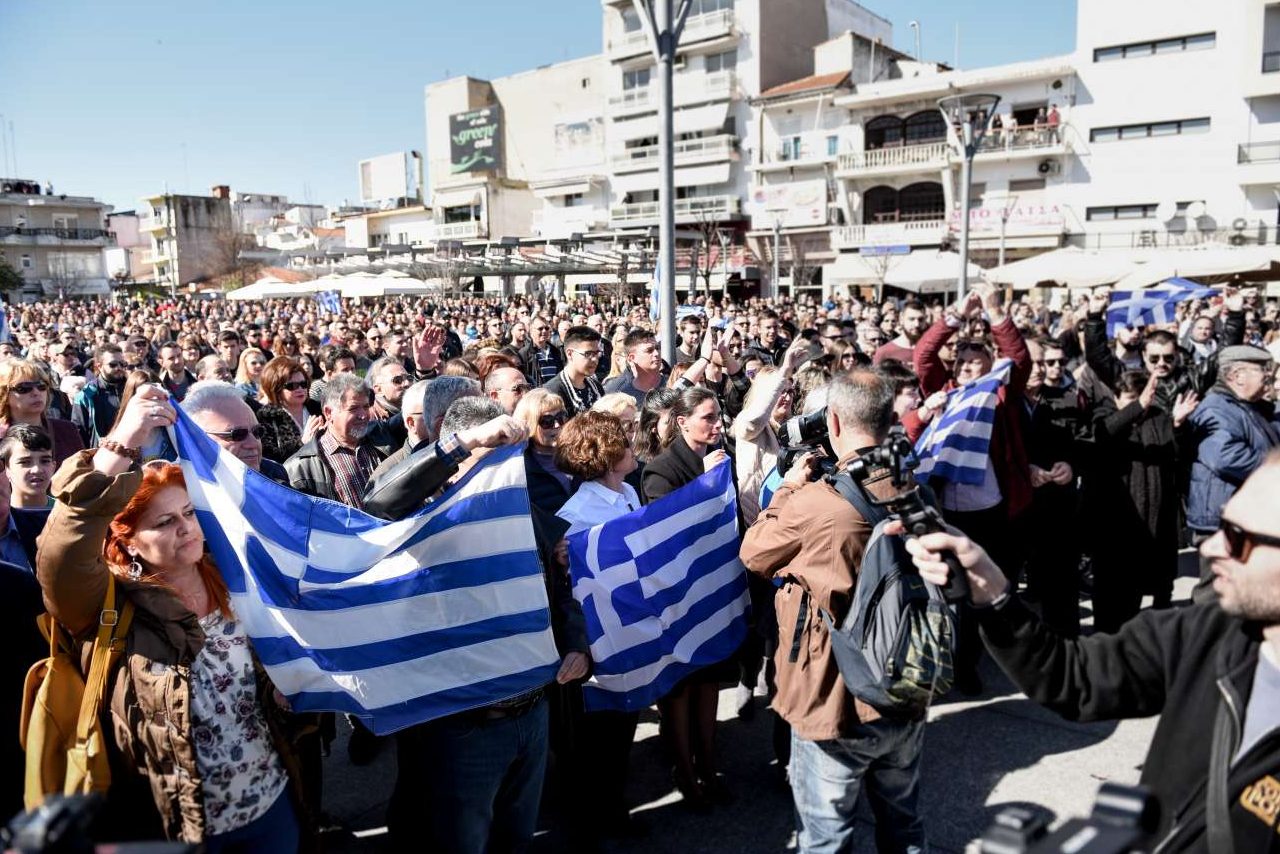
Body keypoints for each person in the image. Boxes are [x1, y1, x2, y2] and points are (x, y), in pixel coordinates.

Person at [904, 452, 1280, 852]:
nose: (1210, 548)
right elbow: (1071, 676)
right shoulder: (1206, 632)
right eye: (1222, 525)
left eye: (1238, 538)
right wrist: (992, 590)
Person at [36, 386, 308, 850]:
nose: (185, 528)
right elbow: (61, 554)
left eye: (188, 513)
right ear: (126, 542)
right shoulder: (107, 606)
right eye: (164, 523)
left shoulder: (230, 577)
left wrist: (283, 695)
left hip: (269, 803)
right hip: (178, 827)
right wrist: (121, 444)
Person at [360, 405, 590, 854]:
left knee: (516, 837)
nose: (504, 465)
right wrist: (465, 442)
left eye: (510, 453)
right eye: (491, 451)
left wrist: (577, 645)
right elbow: (378, 502)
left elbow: (559, 591)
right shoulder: (425, 520)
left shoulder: (523, 512)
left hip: (533, 710)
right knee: (465, 841)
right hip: (467, 728)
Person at [741, 369, 928, 854]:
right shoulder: (913, 488)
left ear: (834, 422)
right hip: (904, 681)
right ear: (889, 421)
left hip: (834, 697)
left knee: (827, 838)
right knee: (904, 826)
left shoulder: (817, 503)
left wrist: (788, 488)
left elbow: (755, 552)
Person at [553, 410, 644, 845]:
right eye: (624, 440)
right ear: (605, 453)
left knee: (623, 728)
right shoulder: (578, 512)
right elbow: (573, 585)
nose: (632, 444)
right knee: (597, 739)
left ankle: (615, 807)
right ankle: (592, 822)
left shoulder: (627, 491)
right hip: (600, 638)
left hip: (629, 630)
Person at [642, 386, 734, 810]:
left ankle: (710, 760)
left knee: (710, 679)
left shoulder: (722, 453)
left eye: (718, 417)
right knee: (681, 687)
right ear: (682, 422)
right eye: (708, 418)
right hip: (678, 593)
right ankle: (684, 767)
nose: (717, 425)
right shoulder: (661, 469)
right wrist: (703, 483)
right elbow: (666, 531)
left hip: (714, 585)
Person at [1186, 345, 1280, 545]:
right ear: (1238, 376)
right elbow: (1227, 457)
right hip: (1223, 523)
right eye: (1264, 371)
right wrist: (1274, 469)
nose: (1269, 377)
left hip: (1245, 517)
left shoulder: (1248, 406)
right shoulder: (1216, 407)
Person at [284, 372, 386, 509]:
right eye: (353, 408)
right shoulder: (300, 467)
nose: (363, 415)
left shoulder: (383, 438)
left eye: (366, 407)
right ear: (328, 413)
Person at [0, 358, 84, 467]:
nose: (36, 392)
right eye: (24, 388)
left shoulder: (67, 430)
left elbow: (84, 474)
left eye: (41, 386)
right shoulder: (2, 437)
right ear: (4, 395)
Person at [514, 389, 572, 516]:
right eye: (547, 421)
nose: (557, 425)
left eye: (560, 417)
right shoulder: (520, 470)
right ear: (529, 424)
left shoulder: (578, 454)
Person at [255, 356, 323, 464]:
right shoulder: (266, 416)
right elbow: (269, 457)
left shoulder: (318, 408)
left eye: (303, 384)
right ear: (276, 388)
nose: (300, 389)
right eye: (292, 386)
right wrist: (302, 443)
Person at [542, 325, 606, 416]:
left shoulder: (596, 387)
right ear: (570, 354)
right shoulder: (552, 391)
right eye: (588, 354)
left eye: (597, 353)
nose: (595, 359)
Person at [72, 345, 128, 446]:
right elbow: (78, 433)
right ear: (99, 366)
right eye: (113, 364)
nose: (119, 368)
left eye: (122, 364)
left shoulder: (134, 389)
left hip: (134, 453)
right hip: (101, 455)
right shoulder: (87, 394)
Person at [605, 328, 665, 406]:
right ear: (632, 358)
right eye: (649, 350)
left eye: (657, 348)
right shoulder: (617, 391)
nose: (656, 353)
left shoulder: (671, 384)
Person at [873, 300, 927, 366]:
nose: (917, 324)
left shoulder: (932, 351)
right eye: (911, 319)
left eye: (921, 319)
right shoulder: (885, 352)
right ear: (901, 319)